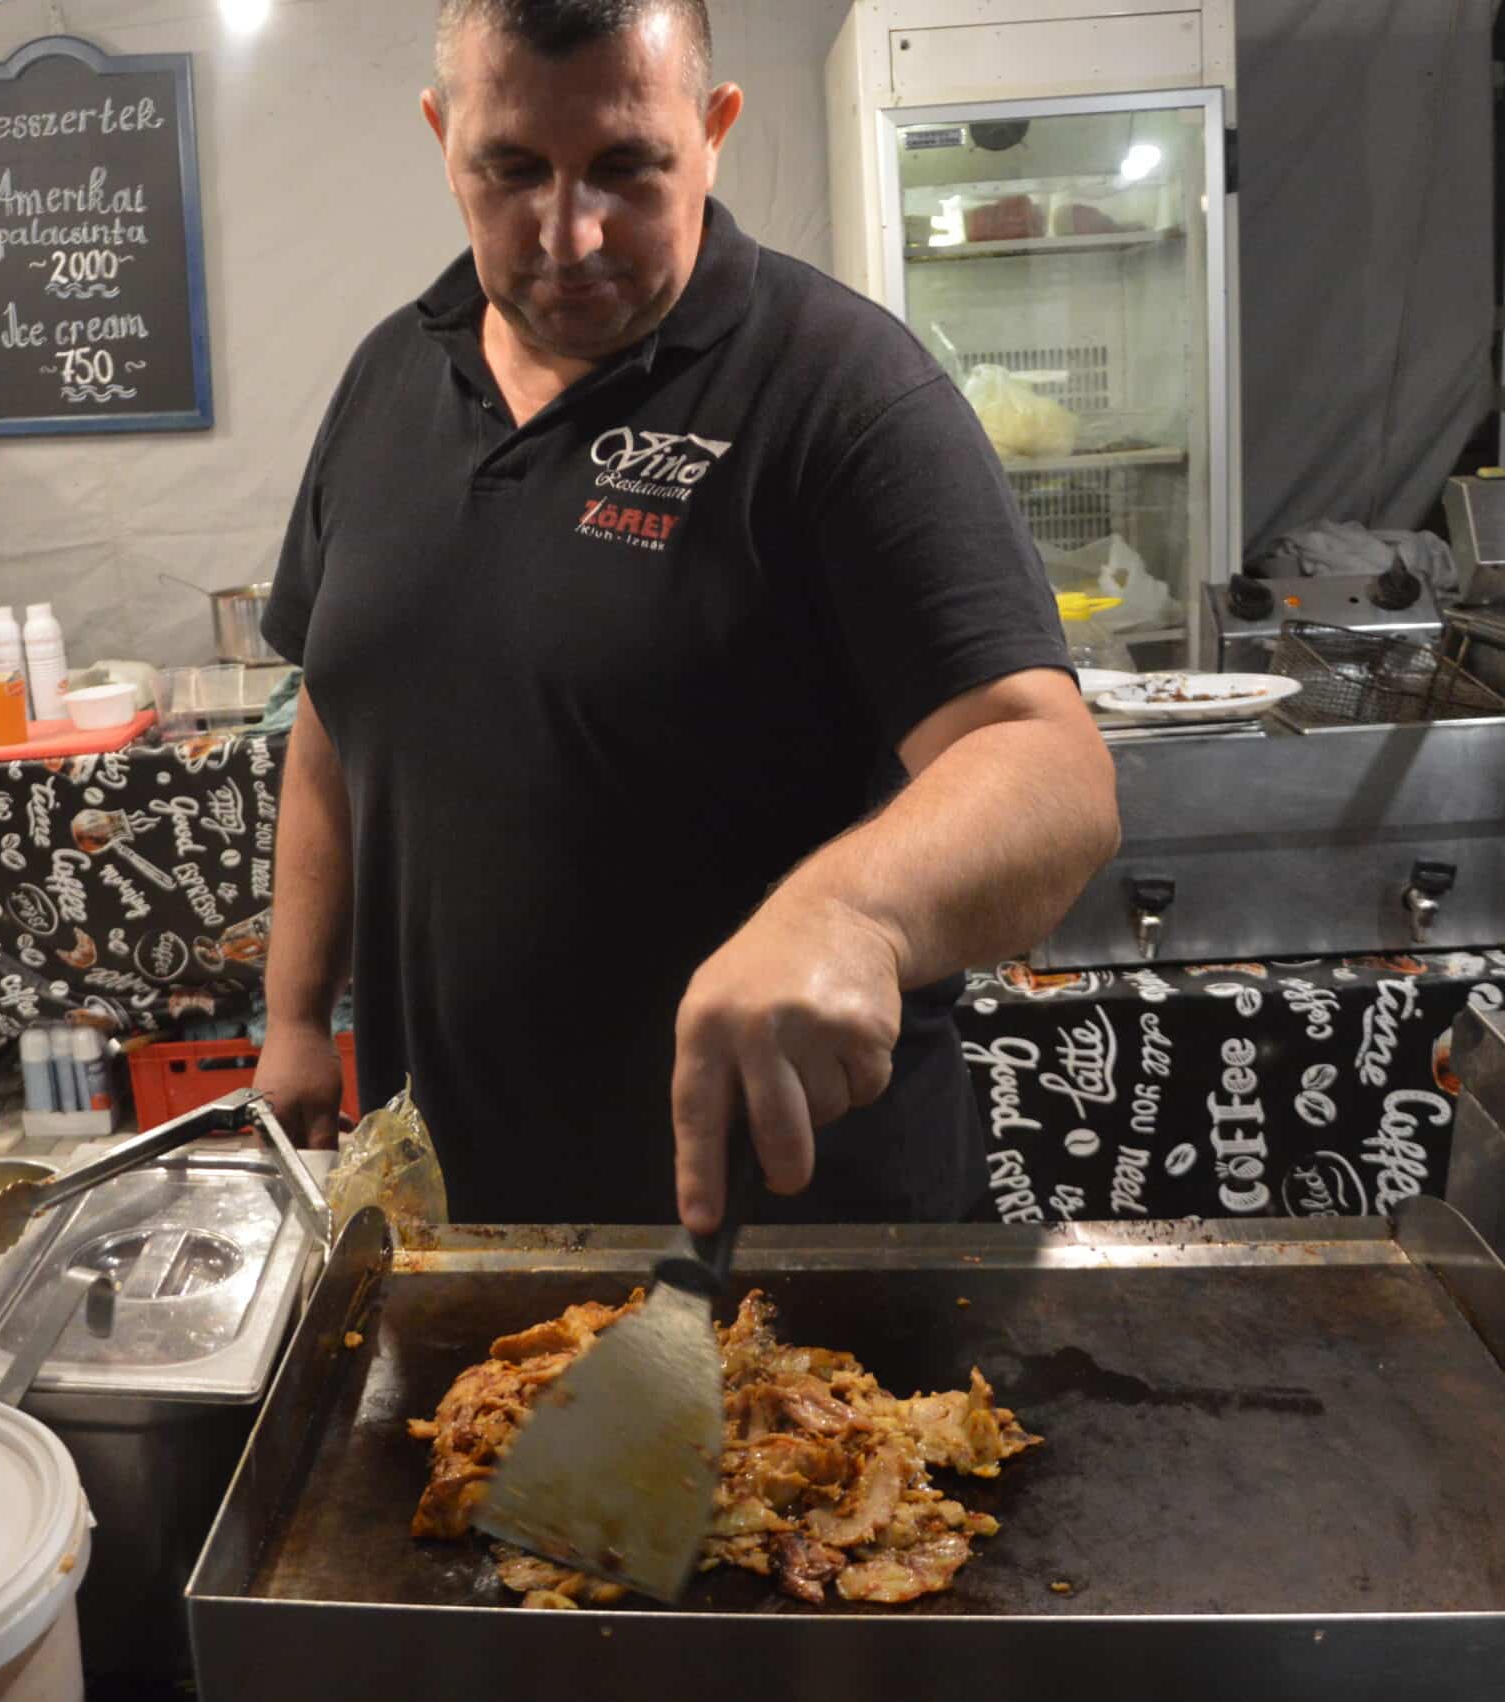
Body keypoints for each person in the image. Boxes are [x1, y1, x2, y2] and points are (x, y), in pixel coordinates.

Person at [254, 0, 1118, 1233]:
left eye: (626, 166)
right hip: (462, 1226)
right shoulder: (388, 377)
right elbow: (333, 723)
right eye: (512, 169)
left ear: (712, 132)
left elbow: (1048, 765)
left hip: (790, 1238)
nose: (570, 233)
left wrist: (849, 913)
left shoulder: (840, 389)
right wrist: (294, 1017)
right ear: (443, 139)